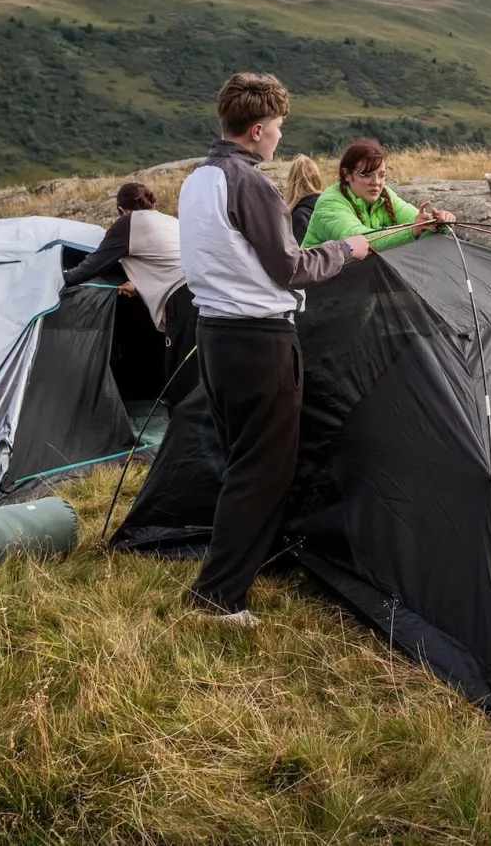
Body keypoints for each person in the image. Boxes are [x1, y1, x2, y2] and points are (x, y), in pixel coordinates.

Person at [177, 73, 371, 624]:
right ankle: (217, 597)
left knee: (241, 461)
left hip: (213, 336)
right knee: (263, 470)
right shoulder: (253, 184)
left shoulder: (197, 181)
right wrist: (346, 250)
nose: (280, 138)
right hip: (260, 340)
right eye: (279, 128)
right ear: (258, 128)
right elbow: (290, 267)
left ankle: (233, 574)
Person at [62, 181, 199, 404]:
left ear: (121, 209)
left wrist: (58, 278)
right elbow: (168, 260)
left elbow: (91, 266)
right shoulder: (170, 221)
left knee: (181, 373)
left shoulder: (127, 224)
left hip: (182, 299)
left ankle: (185, 433)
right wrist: (138, 285)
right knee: (194, 368)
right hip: (202, 291)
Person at [300, 138, 455, 252]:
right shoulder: (330, 203)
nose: (376, 182)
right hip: (318, 288)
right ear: (346, 175)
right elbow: (359, 240)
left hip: (359, 281)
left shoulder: (386, 196)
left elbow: (418, 226)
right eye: (366, 175)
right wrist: (411, 231)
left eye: (381, 175)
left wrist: (438, 224)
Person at [282, 155, 325, 245]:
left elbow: (299, 257)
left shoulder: (300, 217)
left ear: (292, 183)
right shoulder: (333, 207)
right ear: (317, 180)